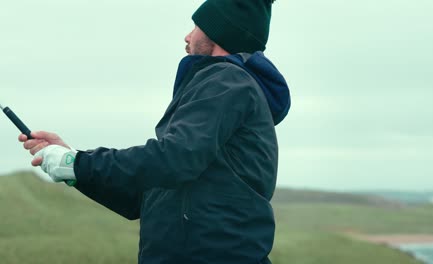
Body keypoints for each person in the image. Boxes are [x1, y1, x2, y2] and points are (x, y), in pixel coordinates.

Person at [20, 0, 290, 263]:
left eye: (195, 26)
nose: (187, 37)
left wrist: (78, 164)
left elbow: (174, 158)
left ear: (219, 31)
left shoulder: (226, 81)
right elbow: (142, 198)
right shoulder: (225, 88)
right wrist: (73, 163)